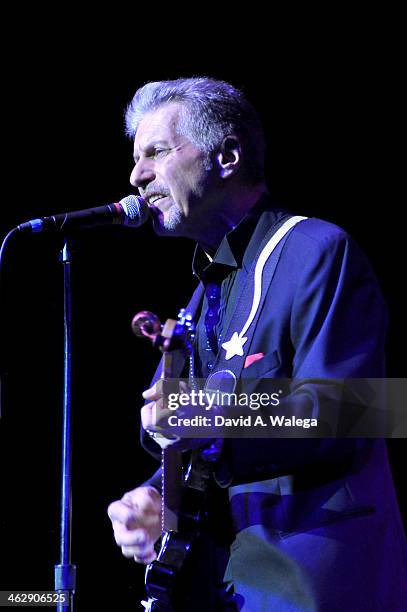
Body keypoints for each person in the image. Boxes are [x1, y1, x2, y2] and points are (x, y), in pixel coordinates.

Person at [107, 77, 407, 611]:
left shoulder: (316, 249)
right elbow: (195, 435)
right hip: (226, 587)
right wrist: (155, 495)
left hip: (313, 583)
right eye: (135, 158)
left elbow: (358, 411)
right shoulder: (203, 296)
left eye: (156, 152)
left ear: (227, 156)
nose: (136, 176)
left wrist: (214, 415)